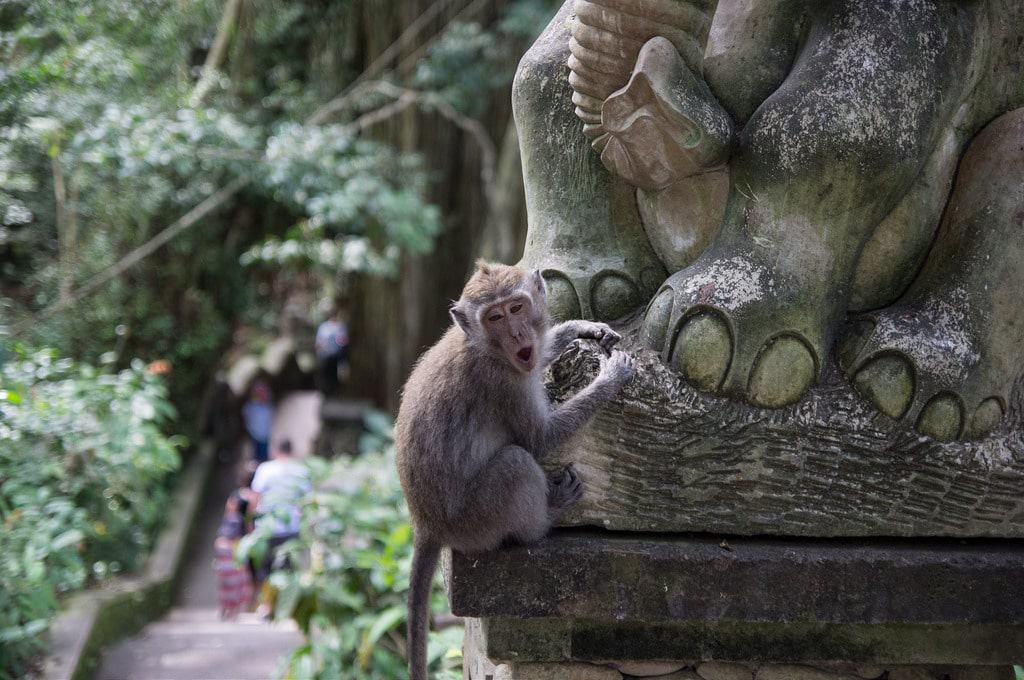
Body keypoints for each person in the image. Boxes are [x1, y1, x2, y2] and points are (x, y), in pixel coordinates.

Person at [250, 439, 311, 615]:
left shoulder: (265, 469)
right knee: (287, 568)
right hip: (291, 527)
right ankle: (283, 608)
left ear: (276, 450)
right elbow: (306, 501)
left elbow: (255, 497)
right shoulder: (301, 471)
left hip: (267, 527)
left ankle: (266, 606)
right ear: (291, 451)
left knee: (265, 568)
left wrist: (251, 522)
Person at [213, 494, 254, 620]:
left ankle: (227, 611)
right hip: (234, 558)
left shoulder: (233, 518)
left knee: (228, 586)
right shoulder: (239, 519)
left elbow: (229, 538)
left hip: (230, 558)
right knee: (235, 586)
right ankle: (231, 612)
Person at [314, 308, 349, 395]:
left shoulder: (341, 327)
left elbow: (344, 341)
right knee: (325, 375)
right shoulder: (324, 327)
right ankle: (326, 392)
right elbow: (319, 342)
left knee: (336, 376)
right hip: (325, 356)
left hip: (337, 357)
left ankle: (335, 392)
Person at [242, 381, 273, 463]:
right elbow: (247, 421)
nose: (264, 394)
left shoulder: (267, 407)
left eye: (264, 392)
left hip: (265, 437)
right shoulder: (251, 407)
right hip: (255, 438)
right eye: (260, 392)